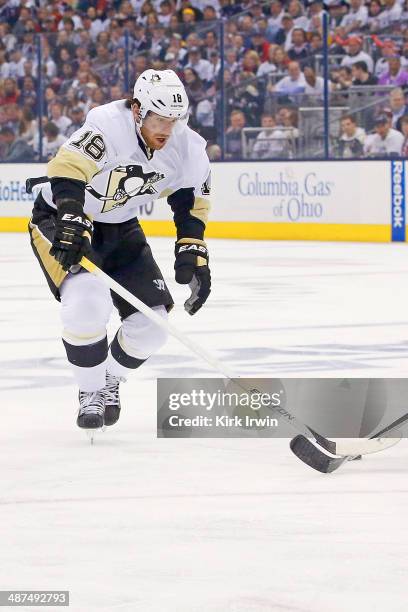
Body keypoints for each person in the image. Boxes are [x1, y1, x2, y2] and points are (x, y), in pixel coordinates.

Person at [27, 69, 212, 431]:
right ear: (138, 110)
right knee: (86, 302)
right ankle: (90, 391)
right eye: (158, 118)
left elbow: (191, 201)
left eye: (174, 120)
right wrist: (71, 214)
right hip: (59, 216)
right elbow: (67, 168)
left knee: (153, 324)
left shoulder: (188, 148)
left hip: (120, 227)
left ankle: (108, 380)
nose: (166, 128)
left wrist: (193, 248)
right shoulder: (106, 125)